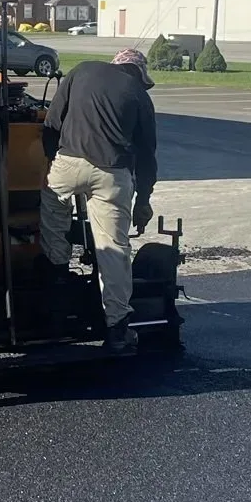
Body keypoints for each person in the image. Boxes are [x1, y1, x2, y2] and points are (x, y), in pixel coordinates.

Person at [39, 46, 158, 355]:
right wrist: (143, 201)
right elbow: (147, 157)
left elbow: (51, 123)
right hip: (113, 174)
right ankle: (117, 329)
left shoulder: (82, 70)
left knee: (54, 218)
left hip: (68, 162)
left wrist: (54, 162)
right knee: (113, 249)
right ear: (138, 73)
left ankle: (58, 283)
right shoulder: (141, 97)